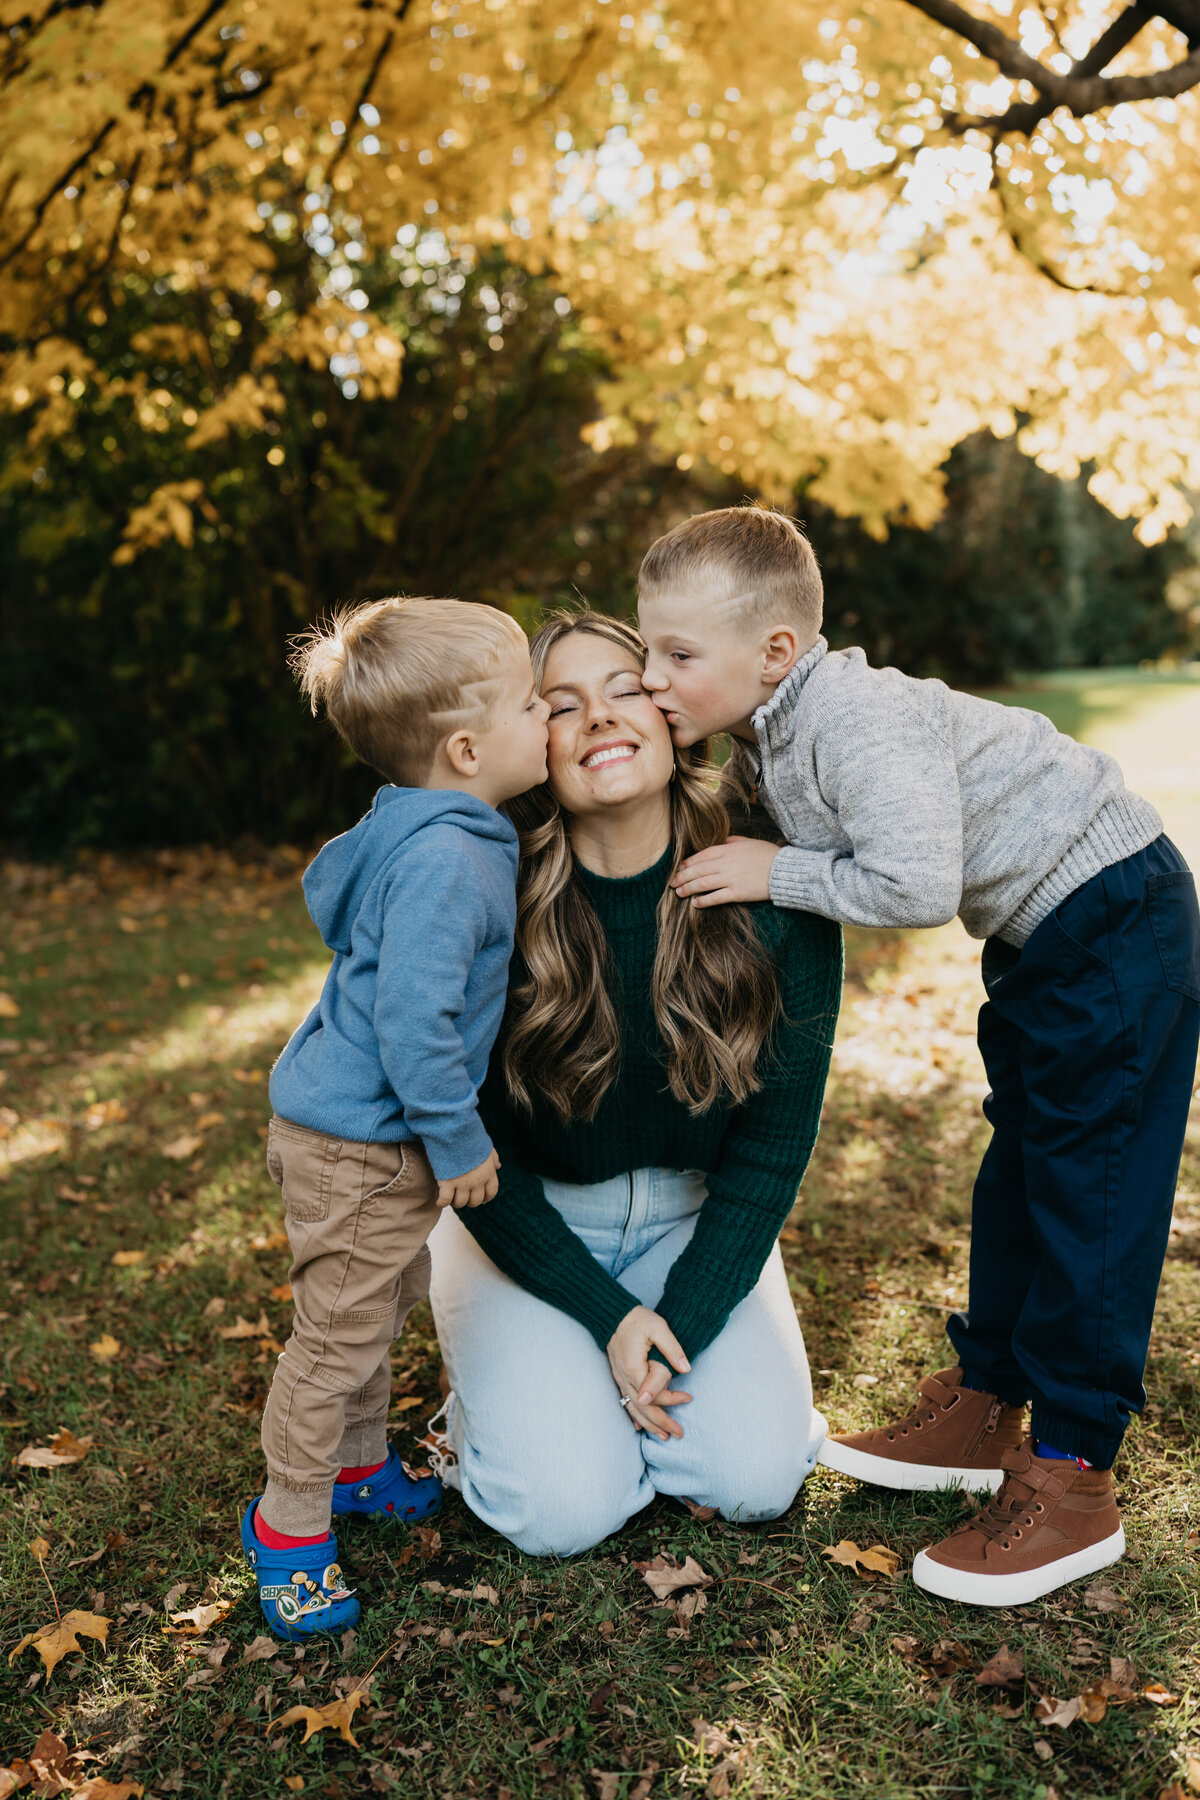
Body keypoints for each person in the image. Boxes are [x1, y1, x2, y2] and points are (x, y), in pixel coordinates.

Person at [636, 502, 1200, 1607]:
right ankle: (987, 1400)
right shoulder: (773, 727)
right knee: (1024, 1170)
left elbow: (914, 882)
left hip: (1116, 921)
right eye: (648, 648)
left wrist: (772, 873)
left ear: (776, 653)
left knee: (1091, 1194)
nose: (653, 676)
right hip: (1047, 938)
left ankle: (1077, 1477)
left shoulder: (849, 718)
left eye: (677, 655)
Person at [427, 610, 843, 1556]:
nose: (601, 720)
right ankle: (500, 1406)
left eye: (625, 691)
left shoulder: (776, 886)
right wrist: (614, 1321)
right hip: (524, 1222)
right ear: (533, 746)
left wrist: (679, 1321)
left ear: (669, 719)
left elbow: (773, 1150)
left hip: (693, 1218)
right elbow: (471, 1146)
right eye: (562, 706)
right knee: (562, 1513)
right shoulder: (484, 903)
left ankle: (607, 1393)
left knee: (754, 1482)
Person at [241, 596, 550, 1639]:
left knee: (383, 1299)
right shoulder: (449, 860)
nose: (551, 715)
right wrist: (459, 1142)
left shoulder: (420, 819)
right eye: (532, 704)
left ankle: (362, 1469)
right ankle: (288, 1530)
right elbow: (415, 1023)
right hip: (363, 1143)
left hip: (356, 1133)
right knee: (333, 1341)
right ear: (467, 748)